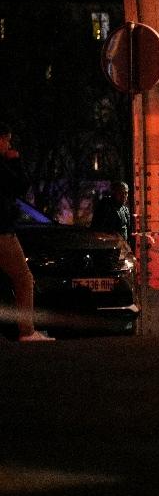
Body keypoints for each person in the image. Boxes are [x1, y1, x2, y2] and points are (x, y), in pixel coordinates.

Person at [0, 121, 52, 342]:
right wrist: (16, 161)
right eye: (7, 139)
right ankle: (27, 330)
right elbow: (20, 185)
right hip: (2, 230)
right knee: (23, 277)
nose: (9, 144)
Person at [91, 181, 134, 247]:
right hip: (109, 247)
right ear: (114, 193)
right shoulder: (105, 207)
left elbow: (127, 229)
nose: (124, 196)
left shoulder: (125, 209)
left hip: (122, 246)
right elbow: (97, 229)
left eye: (126, 193)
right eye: (120, 193)